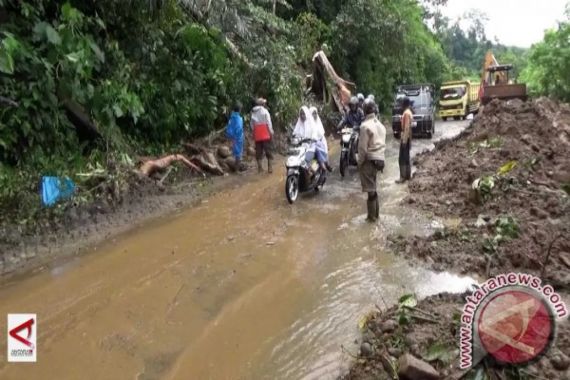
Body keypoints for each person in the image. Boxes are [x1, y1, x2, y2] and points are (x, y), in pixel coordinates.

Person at [357, 99, 386, 222]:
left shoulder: (364, 126)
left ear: (364, 110)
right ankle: (376, 216)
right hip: (380, 161)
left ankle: (371, 218)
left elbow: (362, 149)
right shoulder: (380, 125)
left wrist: (359, 163)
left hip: (370, 160)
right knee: (373, 189)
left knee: (370, 191)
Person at [250, 98, 274, 173]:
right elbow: (268, 123)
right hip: (265, 133)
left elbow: (252, 125)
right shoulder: (265, 111)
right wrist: (271, 132)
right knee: (268, 150)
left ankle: (260, 168)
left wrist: (253, 134)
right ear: (262, 104)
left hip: (257, 134)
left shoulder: (253, 112)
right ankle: (269, 167)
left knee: (258, 151)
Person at [310, 106, 333, 172]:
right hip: (310, 142)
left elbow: (321, 133)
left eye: (315, 113)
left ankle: (326, 164)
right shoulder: (308, 123)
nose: (314, 115)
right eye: (312, 113)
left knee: (324, 150)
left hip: (320, 140)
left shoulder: (318, 121)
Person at [225, 102, 246, 172]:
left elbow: (230, 127)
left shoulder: (232, 117)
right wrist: (241, 137)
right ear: (240, 110)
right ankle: (237, 170)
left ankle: (236, 168)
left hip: (231, 136)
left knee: (236, 153)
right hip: (237, 138)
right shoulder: (239, 118)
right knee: (238, 154)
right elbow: (239, 129)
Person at [396, 97, 413, 183]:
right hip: (409, 136)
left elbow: (406, 128)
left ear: (404, 104)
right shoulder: (409, 112)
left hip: (405, 136)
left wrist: (404, 141)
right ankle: (408, 176)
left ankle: (403, 177)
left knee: (402, 158)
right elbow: (409, 128)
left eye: (402, 103)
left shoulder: (406, 113)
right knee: (407, 157)